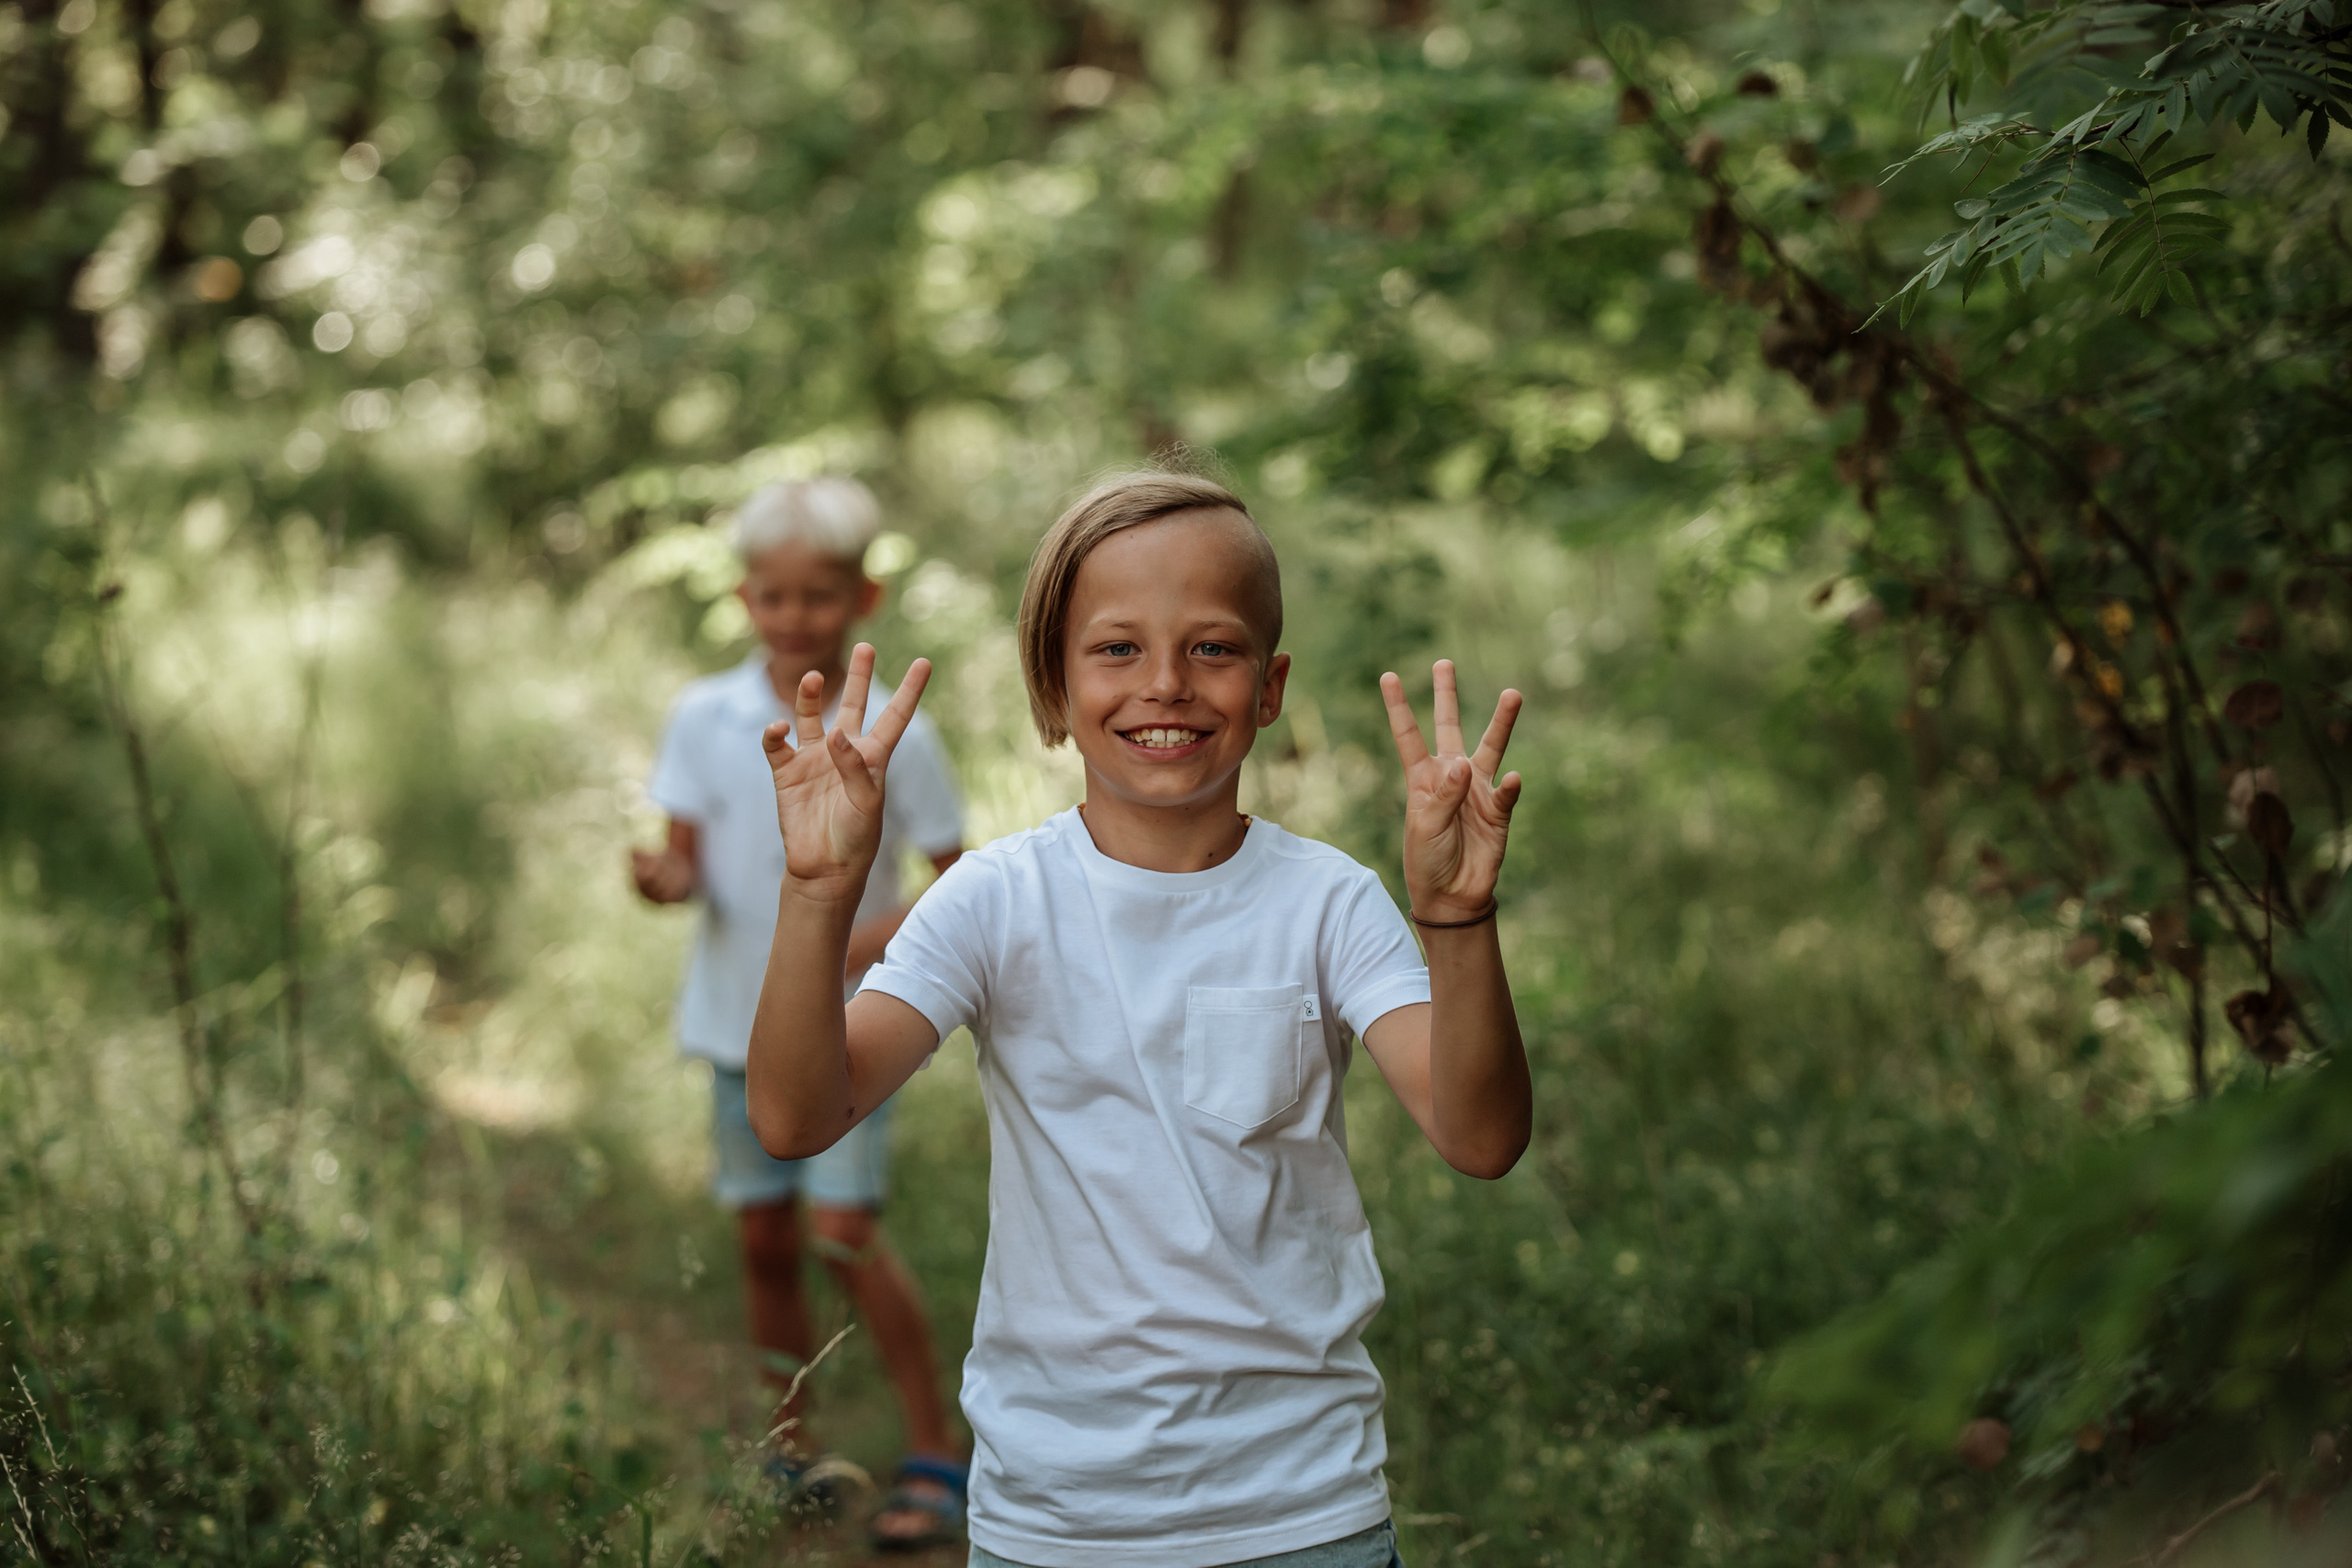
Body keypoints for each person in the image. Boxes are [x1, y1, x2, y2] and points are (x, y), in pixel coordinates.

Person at [745, 469, 1532, 1568]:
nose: (1165, 684)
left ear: (1269, 686)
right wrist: (820, 894)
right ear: (1055, 687)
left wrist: (1456, 917)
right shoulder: (994, 898)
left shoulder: (1329, 902)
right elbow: (793, 1116)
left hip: (1303, 1512)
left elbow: (1481, 1137)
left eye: (1211, 648)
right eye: (1115, 649)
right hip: (1057, 1520)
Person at [630, 476, 972, 1550]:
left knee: (846, 1233)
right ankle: (789, 1448)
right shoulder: (704, 716)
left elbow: (956, 877)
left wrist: (852, 940)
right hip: (732, 1027)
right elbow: (684, 860)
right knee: (767, 1239)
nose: (794, 618)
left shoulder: (895, 735)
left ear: (861, 598)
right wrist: (663, 883)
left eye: (818, 596)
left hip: (852, 1036)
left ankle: (934, 1449)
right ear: (744, 599)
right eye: (773, 598)